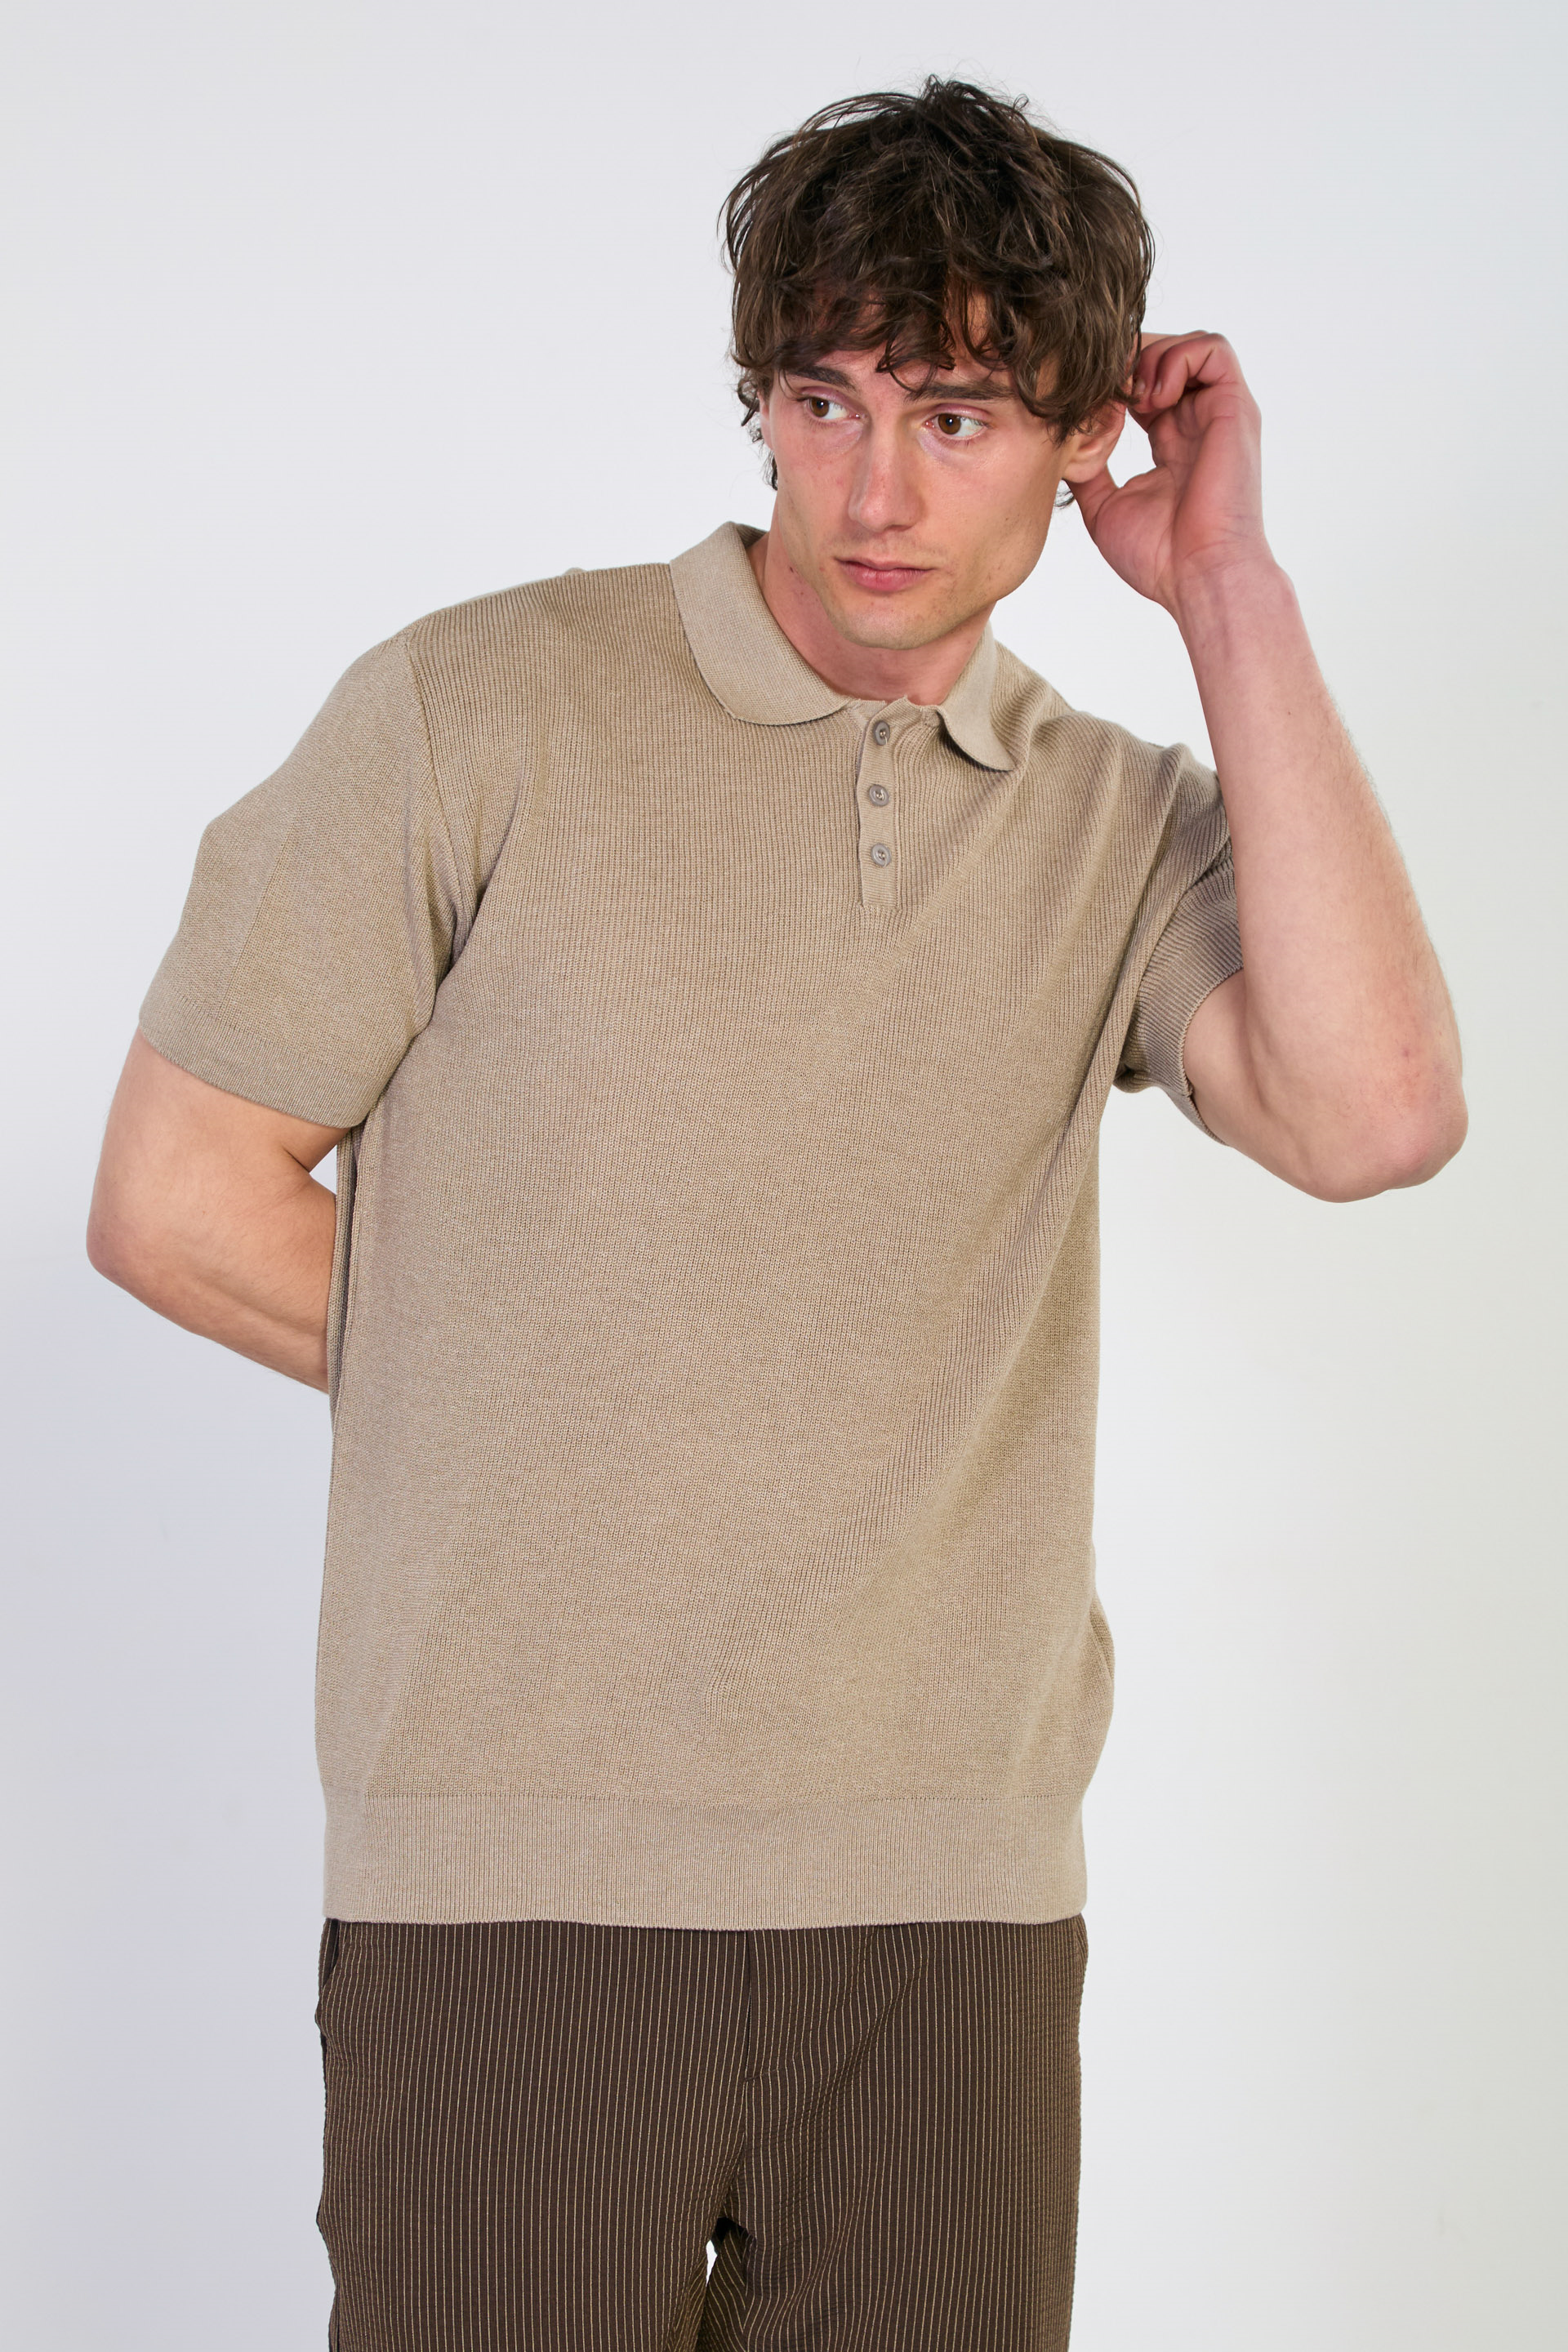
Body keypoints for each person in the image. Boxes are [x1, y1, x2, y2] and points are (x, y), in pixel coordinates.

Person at [86, 74, 1466, 2352]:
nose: (874, 491)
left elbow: (1375, 1115)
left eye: (956, 416)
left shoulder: (1109, 820)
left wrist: (1228, 594)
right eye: (823, 401)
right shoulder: (481, 710)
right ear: (757, 399)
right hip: (516, 1891)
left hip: (948, 1907)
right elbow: (178, 1194)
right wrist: (605, 1379)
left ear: (1085, 439)